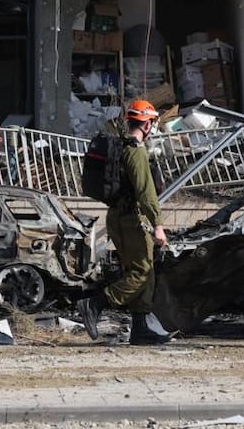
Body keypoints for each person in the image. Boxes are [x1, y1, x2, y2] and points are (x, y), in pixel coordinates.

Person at [76, 100, 172, 345]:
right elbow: (146, 192)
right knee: (142, 272)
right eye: (152, 123)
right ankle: (95, 304)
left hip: (118, 217)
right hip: (132, 219)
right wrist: (158, 225)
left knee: (142, 272)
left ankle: (140, 330)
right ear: (148, 124)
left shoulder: (120, 147)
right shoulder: (136, 151)